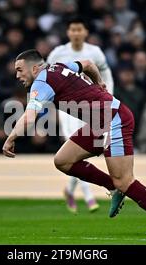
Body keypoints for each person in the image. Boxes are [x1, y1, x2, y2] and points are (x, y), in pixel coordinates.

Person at [3, 49, 146, 234]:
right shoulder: (59, 67)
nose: (17, 75)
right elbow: (87, 64)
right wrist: (98, 82)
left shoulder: (41, 82)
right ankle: (112, 187)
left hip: (114, 119)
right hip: (100, 123)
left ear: (34, 68)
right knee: (63, 160)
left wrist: (10, 138)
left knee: (124, 180)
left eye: (19, 70)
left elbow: (29, 117)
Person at [47, 16, 114, 213]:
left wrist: (108, 95)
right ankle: (89, 196)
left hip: (91, 105)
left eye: (79, 29)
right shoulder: (58, 52)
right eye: (72, 30)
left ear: (85, 32)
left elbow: (107, 75)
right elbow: (48, 77)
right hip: (67, 107)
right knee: (73, 147)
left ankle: (69, 190)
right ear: (68, 32)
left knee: (84, 149)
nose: (76, 33)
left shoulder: (95, 52)